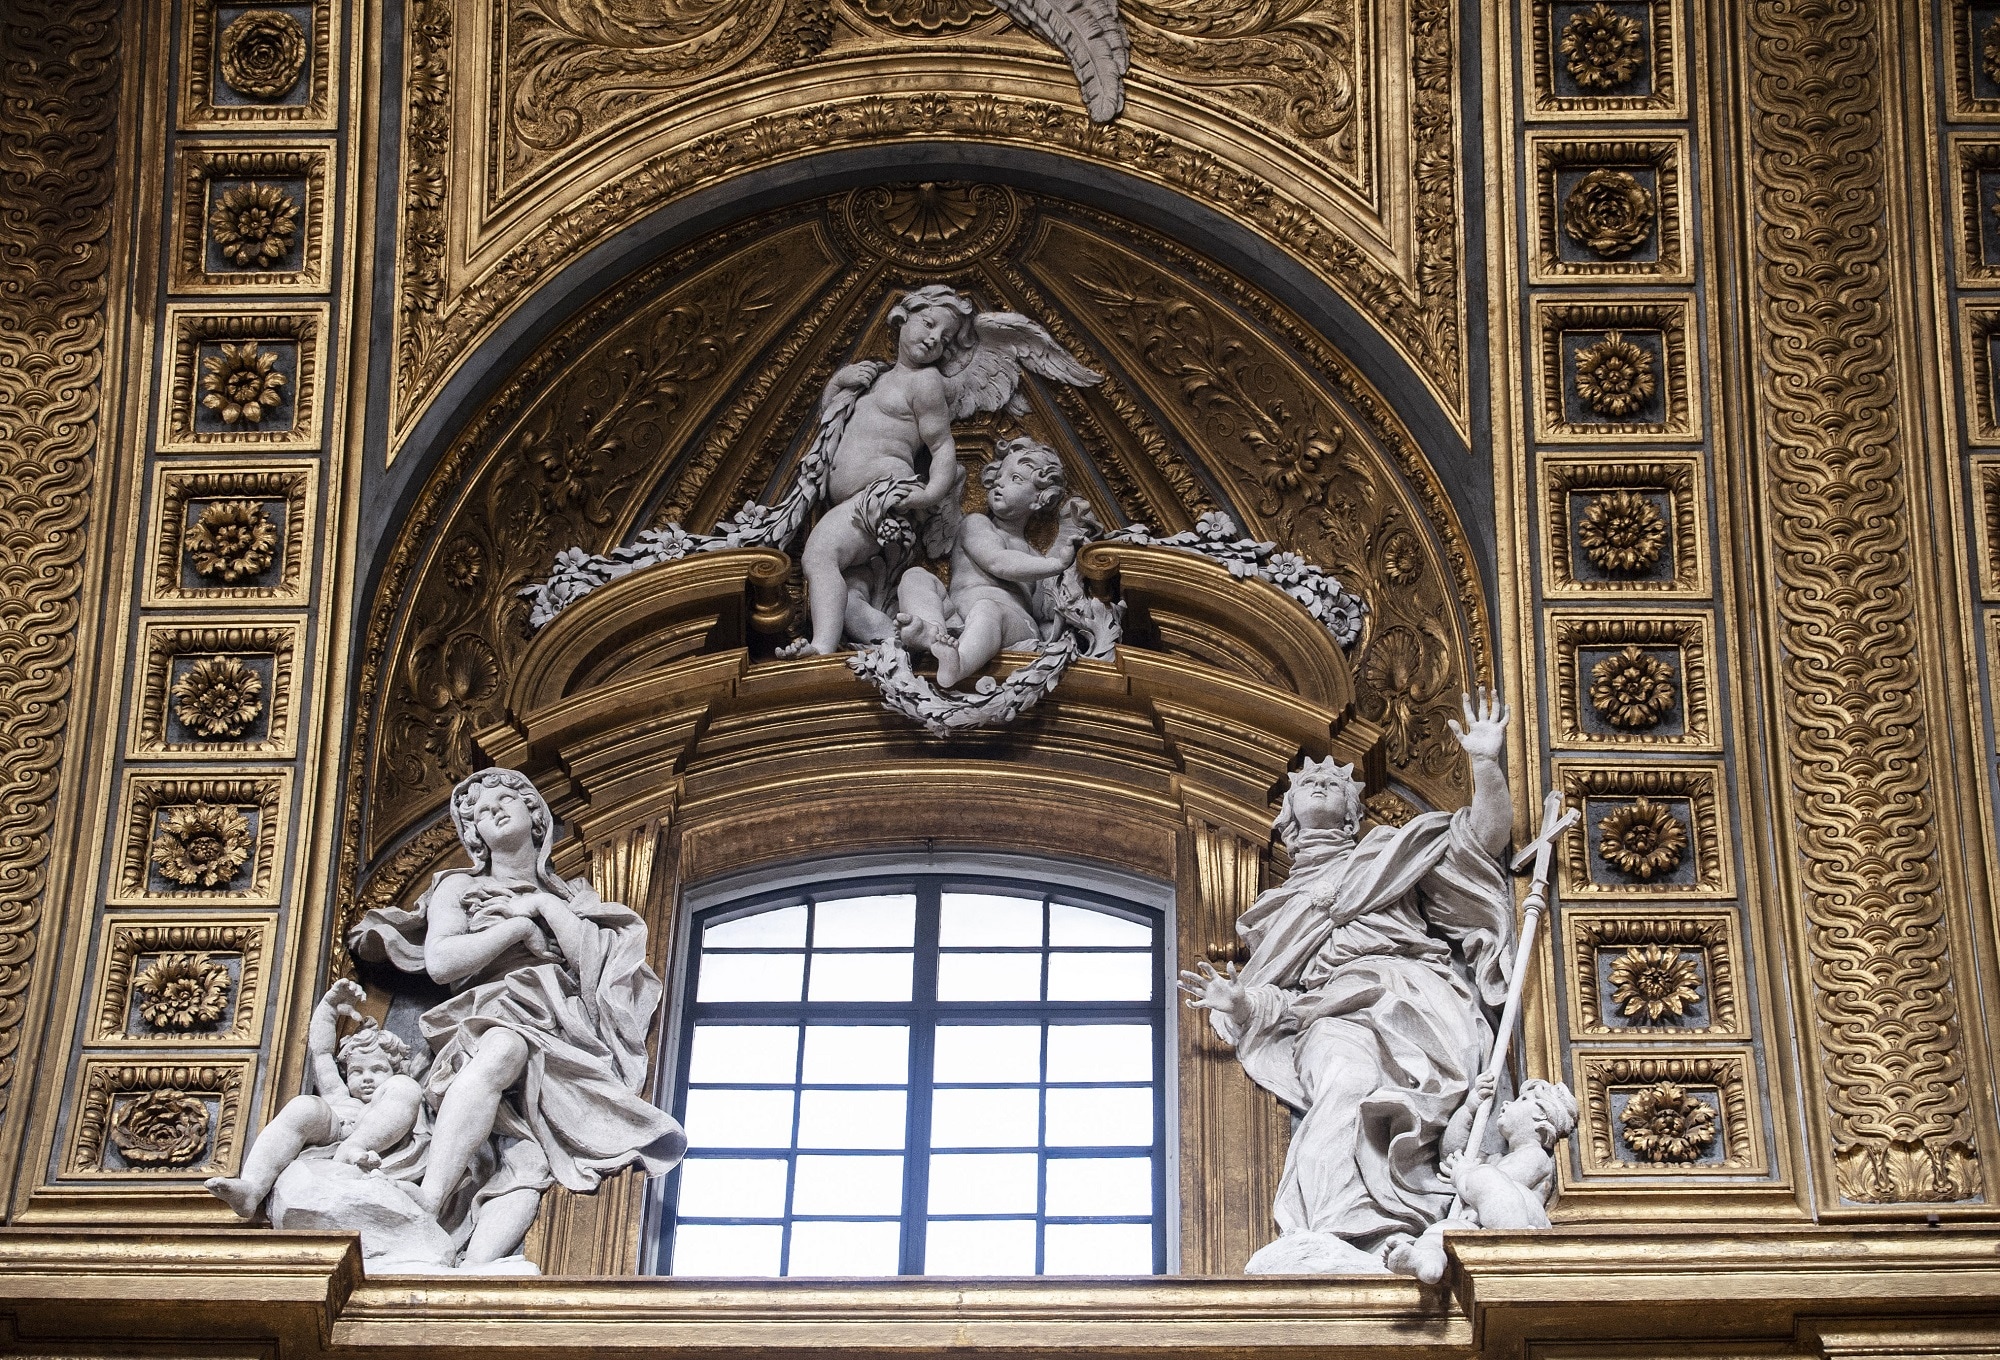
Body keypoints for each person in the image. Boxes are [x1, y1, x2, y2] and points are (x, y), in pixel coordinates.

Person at [1179, 689, 1515, 1274]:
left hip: (1422, 1000)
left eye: (1335, 782)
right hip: (1332, 1015)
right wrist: (1242, 1002)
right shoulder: (1276, 909)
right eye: (1308, 784)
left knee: (1411, 1089)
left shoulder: (1394, 853)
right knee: (1347, 1078)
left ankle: (1411, 1219)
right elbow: (1286, 1000)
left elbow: (1482, 841)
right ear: (1285, 817)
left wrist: (1484, 764)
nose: (1321, 783)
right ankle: (1338, 1229)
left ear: (1356, 811)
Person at [348, 768, 685, 1267]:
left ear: (535, 814)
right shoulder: (458, 886)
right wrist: (516, 931)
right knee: (503, 1049)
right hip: (489, 1015)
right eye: (480, 812)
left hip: (561, 1032)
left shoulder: (573, 898)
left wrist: (543, 905)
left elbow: (595, 965)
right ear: (474, 835)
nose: (494, 811)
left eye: (506, 799)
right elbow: (442, 963)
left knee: (529, 1162)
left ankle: (474, 1270)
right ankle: (430, 1197)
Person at [787, 286, 972, 657]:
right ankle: (904, 645)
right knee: (851, 601)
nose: (935, 338)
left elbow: (941, 445)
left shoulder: (925, 382)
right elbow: (835, 426)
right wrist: (838, 384)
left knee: (819, 556)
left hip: (880, 497)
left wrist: (931, 494)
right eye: (929, 323)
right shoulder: (878, 377)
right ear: (902, 317)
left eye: (945, 337)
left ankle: (822, 646)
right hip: (852, 502)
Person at [206, 979, 423, 1218]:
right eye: (357, 1072)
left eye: (378, 1069)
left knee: (406, 1088)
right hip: (334, 1132)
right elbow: (321, 1053)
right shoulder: (341, 1097)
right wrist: (329, 1008)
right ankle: (253, 1188)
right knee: (305, 1106)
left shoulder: (393, 1098)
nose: (367, 1078)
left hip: (368, 1144)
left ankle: (355, 1148)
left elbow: (401, 1096)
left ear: (396, 1068)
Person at [896, 438, 1093, 687]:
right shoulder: (977, 524)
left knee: (987, 608)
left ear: (1039, 499)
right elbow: (998, 561)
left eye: (1015, 479)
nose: (1000, 482)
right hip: (957, 620)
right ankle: (931, 630)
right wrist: (1057, 563)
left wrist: (1066, 563)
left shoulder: (1036, 559)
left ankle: (958, 665)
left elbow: (1047, 611)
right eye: (999, 475)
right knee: (915, 576)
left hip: (1013, 626)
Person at [1383, 1071, 1577, 1284]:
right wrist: (1470, 1108)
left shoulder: (1535, 1155)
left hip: (1517, 1228)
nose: (1505, 1104)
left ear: (1541, 1115)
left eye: (1522, 1100)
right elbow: (1452, 1155)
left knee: (1483, 1176)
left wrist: (1465, 1174)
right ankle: (1428, 1262)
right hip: (1480, 1227)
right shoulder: (1494, 1160)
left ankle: (1509, 1246)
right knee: (1439, 1232)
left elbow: (1495, 1184)